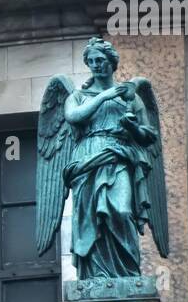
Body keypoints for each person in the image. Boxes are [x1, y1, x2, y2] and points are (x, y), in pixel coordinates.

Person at [62, 38, 160, 278]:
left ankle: (128, 274)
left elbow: (149, 136)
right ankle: (96, 275)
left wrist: (133, 127)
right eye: (91, 61)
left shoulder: (131, 97)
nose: (96, 65)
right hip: (87, 158)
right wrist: (104, 97)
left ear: (111, 63)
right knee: (90, 217)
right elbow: (73, 116)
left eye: (101, 60)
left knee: (121, 210)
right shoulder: (78, 96)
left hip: (118, 155)